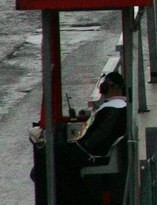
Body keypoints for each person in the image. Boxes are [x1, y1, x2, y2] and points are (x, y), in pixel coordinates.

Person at [30, 71, 127, 204]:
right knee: (51, 155)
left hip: (92, 153)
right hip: (88, 150)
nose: (104, 87)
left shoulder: (116, 107)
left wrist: (80, 146)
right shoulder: (114, 106)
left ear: (117, 87)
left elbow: (101, 137)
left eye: (107, 84)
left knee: (47, 155)